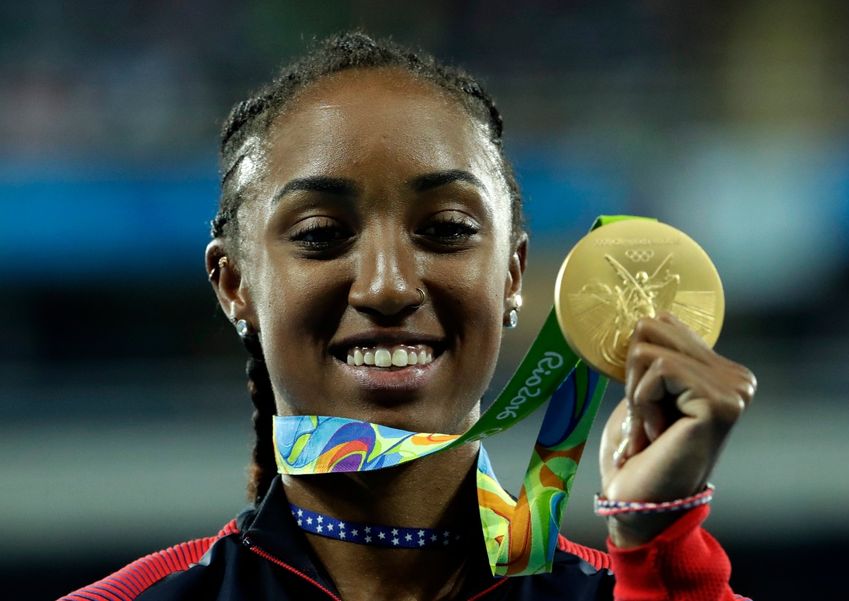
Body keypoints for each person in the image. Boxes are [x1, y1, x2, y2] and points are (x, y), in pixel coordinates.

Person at [61, 32, 756, 601]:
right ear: (234, 282)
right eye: (320, 234)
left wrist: (660, 549)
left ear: (511, 276)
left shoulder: (642, 589)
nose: (389, 286)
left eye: (447, 229)